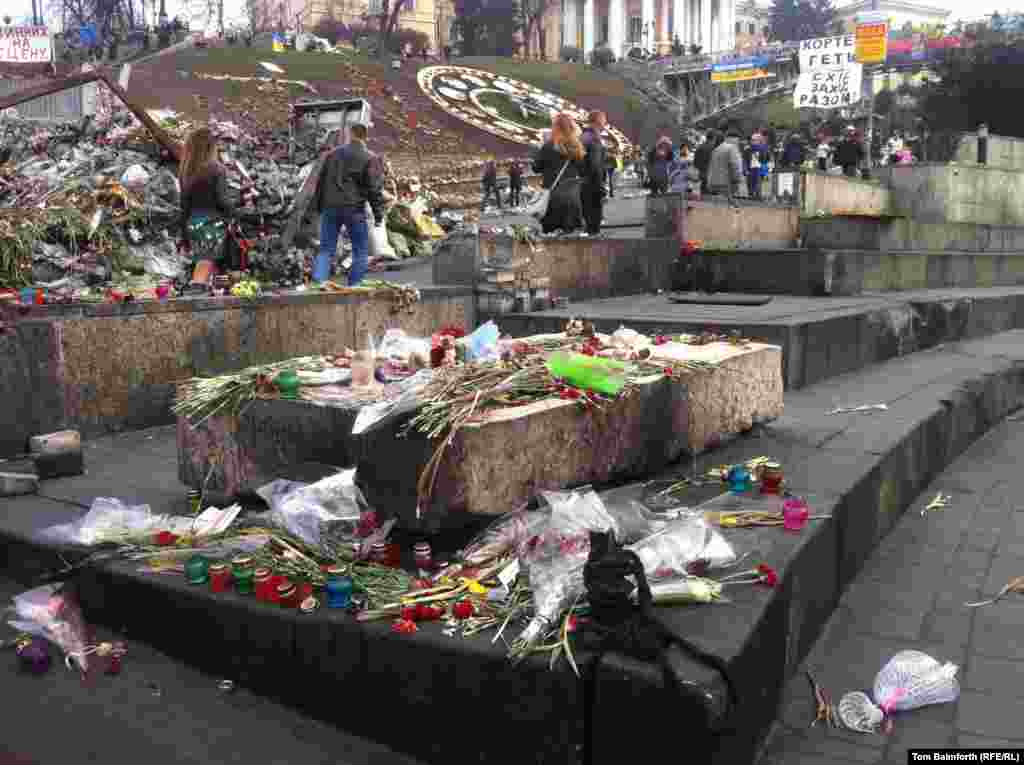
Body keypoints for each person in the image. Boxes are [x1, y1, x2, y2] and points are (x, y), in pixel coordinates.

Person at [312, 122, 385, 286]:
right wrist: (378, 214)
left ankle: (319, 284)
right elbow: (374, 189)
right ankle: (353, 286)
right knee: (361, 251)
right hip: (354, 209)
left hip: (330, 208)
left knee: (326, 249)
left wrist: (319, 207)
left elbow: (320, 182)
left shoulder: (331, 155)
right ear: (365, 136)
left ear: (349, 134)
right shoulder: (370, 158)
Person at [179, 126, 236, 293]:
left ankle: (200, 292)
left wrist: (183, 233)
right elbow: (223, 199)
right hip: (212, 222)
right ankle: (196, 297)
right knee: (206, 262)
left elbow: (184, 205)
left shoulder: (187, 170)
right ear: (210, 146)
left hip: (193, 221)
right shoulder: (216, 168)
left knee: (202, 261)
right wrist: (235, 211)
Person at [532, 112, 586, 235]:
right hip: (572, 196)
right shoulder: (577, 146)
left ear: (555, 127)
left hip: (552, 196)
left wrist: (538, 150)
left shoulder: (548, 146)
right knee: (570, 234)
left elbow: (536, 168)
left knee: (551, 235)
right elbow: (583, 169)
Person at [579, 111, 608, 236]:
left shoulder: (583, 136)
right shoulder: (594, 139)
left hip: (584, 182)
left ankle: (591, 237)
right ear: (598, 121)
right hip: (593, 183)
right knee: (594, 221)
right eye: (604, 120)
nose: (605, 123)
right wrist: (601, 187)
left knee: (588, 218)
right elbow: (595, 165)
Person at [707, 128, 743, 205]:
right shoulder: (732, 148)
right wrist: (737, 179)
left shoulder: (716, 149)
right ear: (736, 139)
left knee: (718, 206)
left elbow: (711, 167)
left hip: (714, 183)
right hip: (726, 183)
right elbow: (735, 165)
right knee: (731, 205)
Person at [743, 132, 770, 201]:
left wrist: (766, 169)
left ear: (759, 141)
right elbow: (745, 160)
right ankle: (752, 195)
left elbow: (766, 159)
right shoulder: (747, 149)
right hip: (751, 168)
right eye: (753, 140)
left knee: (758, 182)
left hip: (759, 168)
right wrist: (745, 169)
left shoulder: (763, 148)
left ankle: (757, 195)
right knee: (750, 182)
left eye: (755, 140)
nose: (753, 142)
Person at [694, 130, 718, 197]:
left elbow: (695, 162)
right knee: (713, 197)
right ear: (713, 138)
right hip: (713, 176)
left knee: (704, 195)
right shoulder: (715, 148)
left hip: (703, 174)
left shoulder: (700, 147)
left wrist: (701, 169)